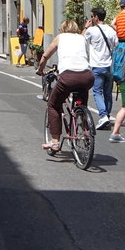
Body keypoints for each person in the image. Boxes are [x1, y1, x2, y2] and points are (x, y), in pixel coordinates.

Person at [36, 19, 94, 152]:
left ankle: (55, 141)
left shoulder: (60, 38)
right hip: (87, 76)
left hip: (68, 76)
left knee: (53, 105)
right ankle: (85, 128)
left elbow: (45, 56)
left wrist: (40, 70)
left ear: (62, 29)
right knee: (81, 103)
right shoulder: (82, 38)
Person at [84, 7, 117, 130]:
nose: (91, 18)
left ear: (96, 17)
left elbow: (81, 40)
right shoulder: (110, 30)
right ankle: (107, 115)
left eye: (92, 16)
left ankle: (103, 116)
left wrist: (86, 27)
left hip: (96, 65)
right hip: (109, 65)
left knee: (97, 92)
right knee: (107, 93)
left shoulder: (91, 31)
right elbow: (116, 44)